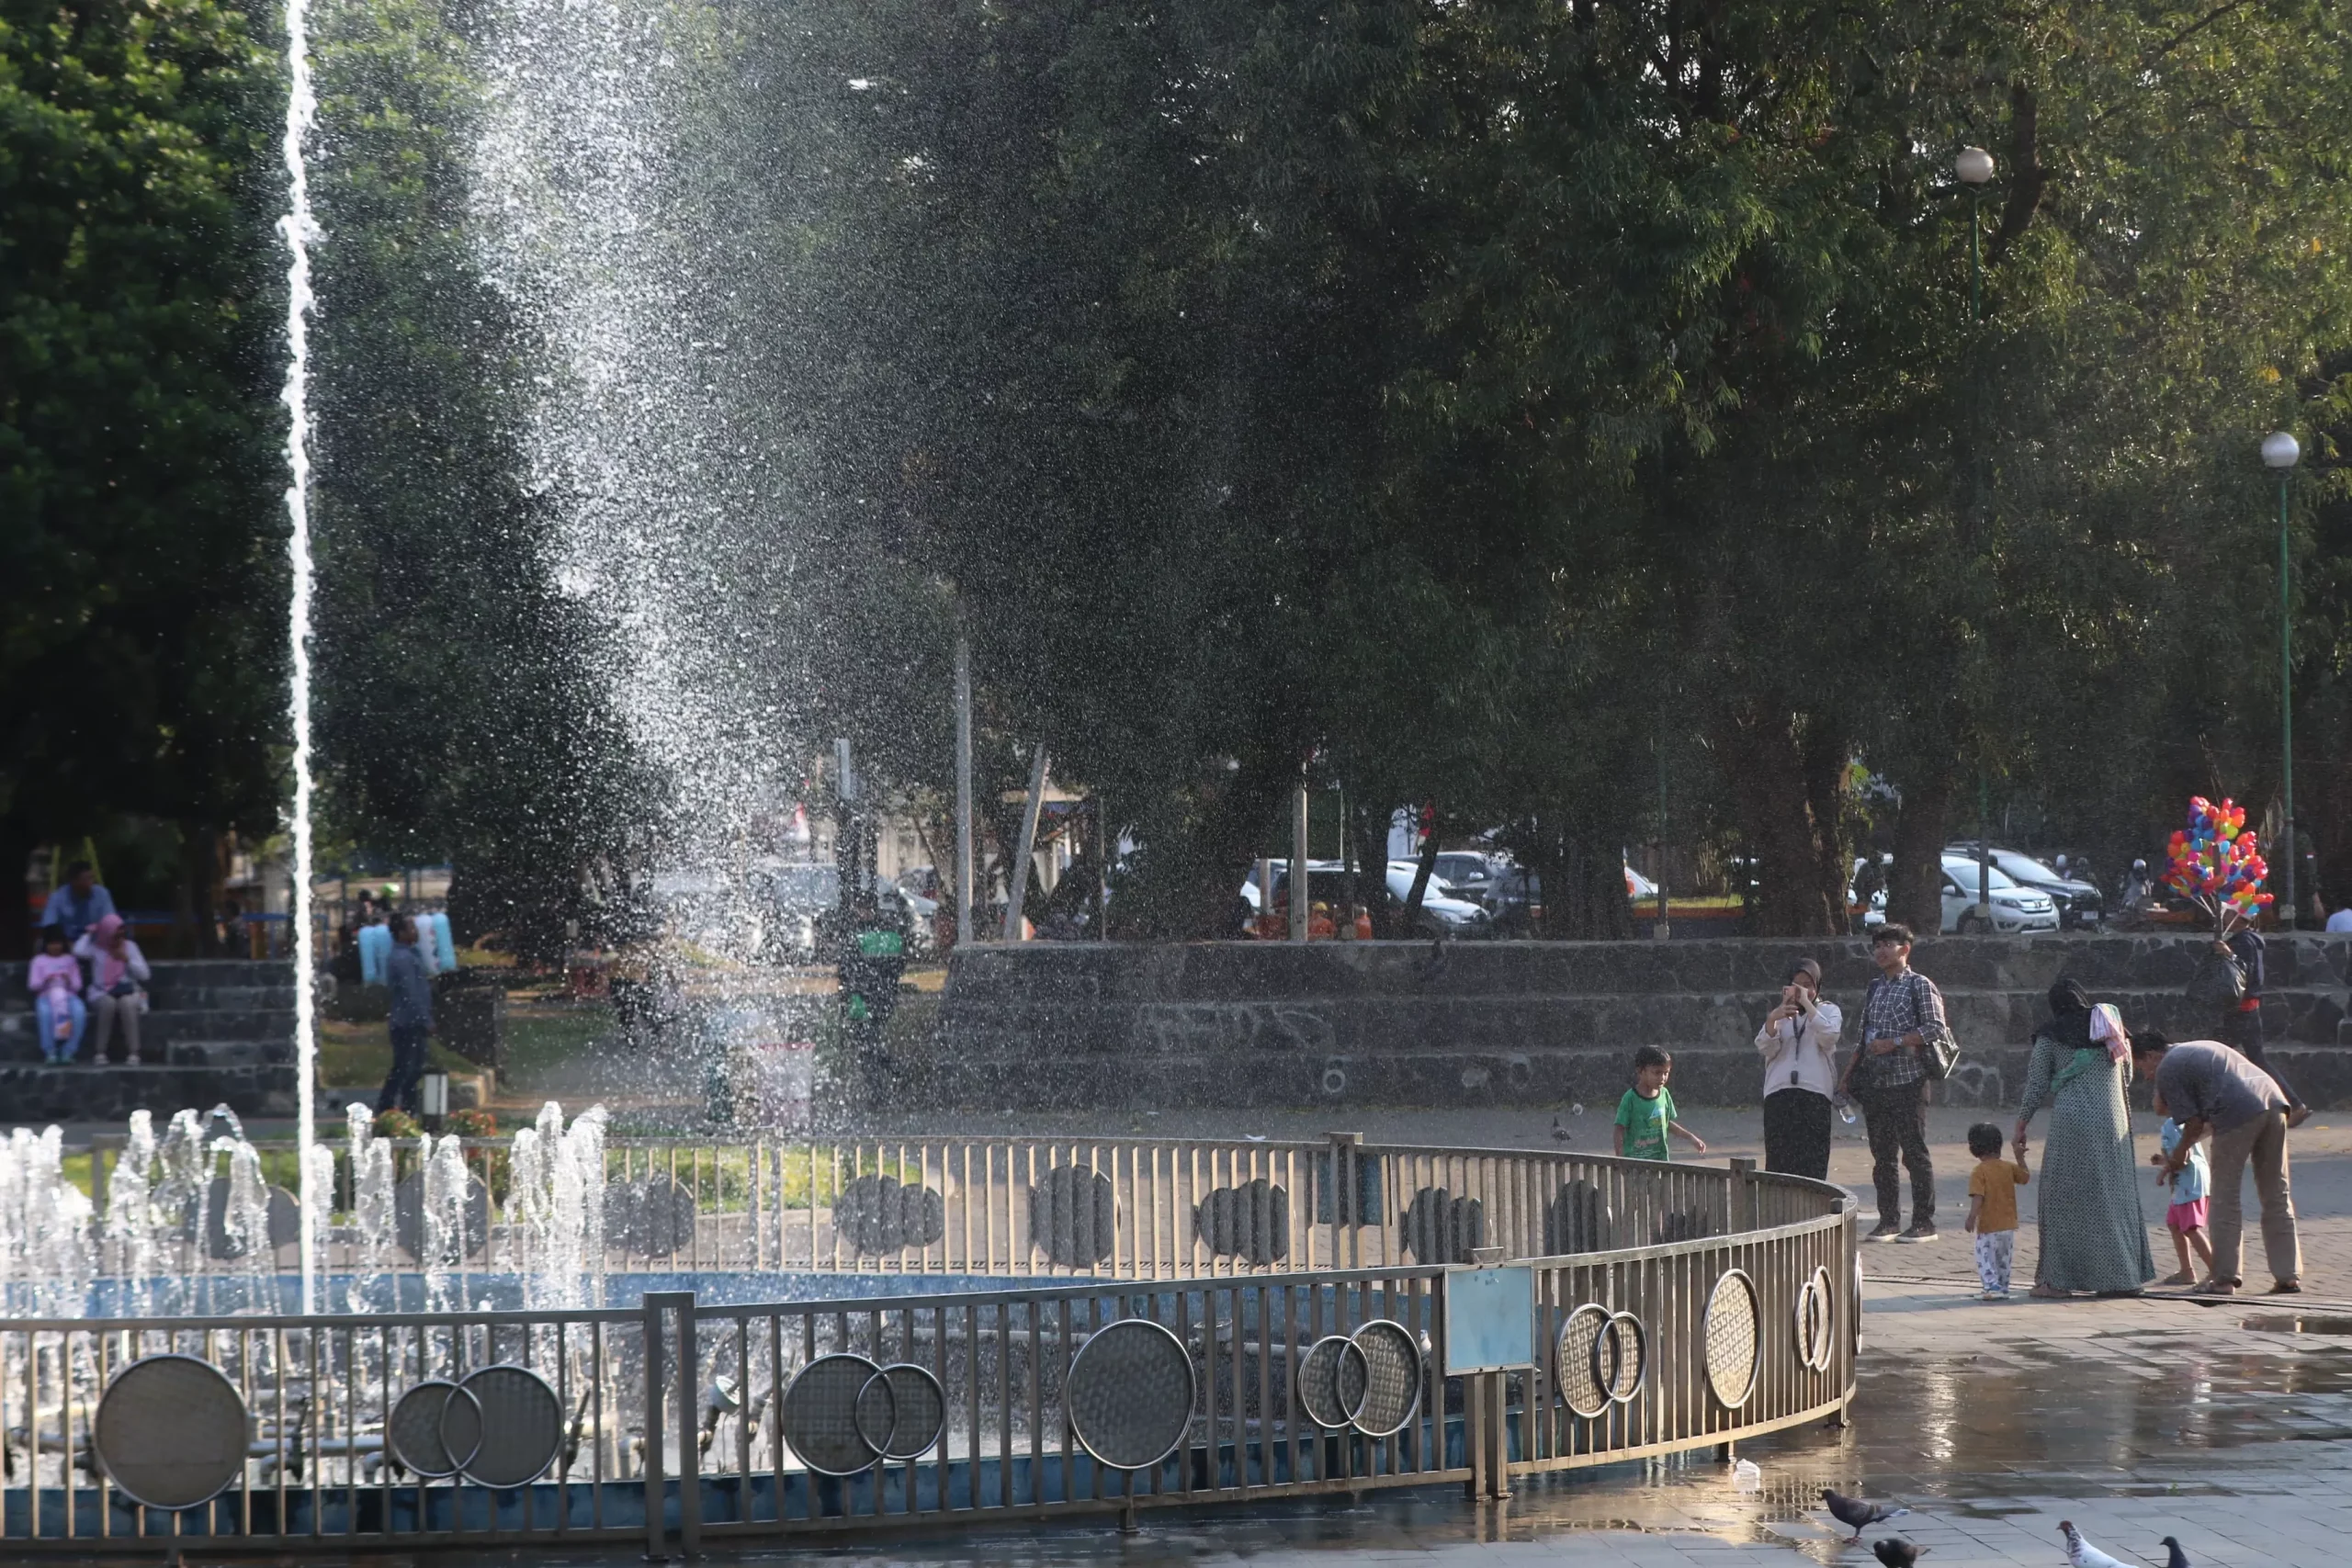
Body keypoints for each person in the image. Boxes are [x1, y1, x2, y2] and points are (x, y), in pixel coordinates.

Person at [2010, 979, 2154, 1296]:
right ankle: (2122, 1278)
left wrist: (2021, 1124)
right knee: (2114, 1197)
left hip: (2072, 1124)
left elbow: (2036, 1085)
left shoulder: (2051, 1036)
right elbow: (2126, 1076)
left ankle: (2057, 1282)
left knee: (2064, 1198)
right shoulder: (2110, 1026)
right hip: (2114, 1123)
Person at [2132, 1033, 2301, 1295]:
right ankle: (2288, 1275)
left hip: (2237, 1114)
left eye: (2141, 1066)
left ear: (2152, 1055)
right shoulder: (2195, 1049)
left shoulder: (2168, 1066)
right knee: (2276, 1193)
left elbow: (2189, 1121)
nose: (2145, 1075)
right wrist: (2180, 1153)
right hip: (2275, 1105)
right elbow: (2202, 1121)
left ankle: (2224, 1278)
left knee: (2224, 1196)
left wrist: (2179, 1151)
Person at [1838, 924, 1949, 1242]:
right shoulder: (1875, 988)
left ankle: (1924, 1223)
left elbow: (1936, 1028)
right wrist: (1845, 1080)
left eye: (1888, 944)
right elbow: (1863, 1037)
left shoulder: (1919, 986)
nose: (1881, 951)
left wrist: (1896, 1042)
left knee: (1914, 1153)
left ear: (1905, 949)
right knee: (1882, 1156)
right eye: (1877, 946)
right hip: (1876, 1083)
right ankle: (1889, 1220)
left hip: (1909, 1081)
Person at [1756, 957, 1842, 1179]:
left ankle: (1814, 1212)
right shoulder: (1781, 1014)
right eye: (1797, 984)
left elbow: (1829, 1037)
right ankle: (1781, 1212)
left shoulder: (1829, 1011)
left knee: (1813, 1161)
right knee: (1779, 1161)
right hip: (1779, 1094)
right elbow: (1766, 1048)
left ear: (1817, 986)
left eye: (1808, 985)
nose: (1802, 990)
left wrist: (1809, 1007)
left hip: (1815, 1094)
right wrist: (1773, 1019)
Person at [2212, 928, 2308, 1122]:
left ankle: (2293, 1104)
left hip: (2242, 1010)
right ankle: (2293, 1103)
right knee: (2244, 1058)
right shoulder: (2248, 939)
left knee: (2218, 1056)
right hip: (2244, 1009)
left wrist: (2229, 954)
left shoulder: (2244, 942)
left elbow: (2247, 971)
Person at [1963, 1122, 2031, 1300]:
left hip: (1988, 1226)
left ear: (1974, 1148)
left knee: (1984, 1256)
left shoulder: (1979, 1171)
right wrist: (2019, 1156)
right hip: (2008, 1225)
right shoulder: (2008, 1167)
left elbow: (1978, 1196)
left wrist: (1971, 1217)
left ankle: (1991, 1286)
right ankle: (2003, 1286)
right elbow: (2025, 1178)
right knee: (2003, 1259)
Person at [377, 915, 435, 1115]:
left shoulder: (410, 954)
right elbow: (411, 993)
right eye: (411, 928)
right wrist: (425, 1019)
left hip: (411, 1021)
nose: (415, 932)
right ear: (400, 933)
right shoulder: (402, 958)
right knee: (406, 1068)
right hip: (407, 1023)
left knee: (411, 1067)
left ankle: (404, 1109)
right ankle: (389, 1108)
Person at [74, 914, 150, 1064]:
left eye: (121, 934)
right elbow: (77, 951)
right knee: (108, 1004)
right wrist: (89, 933)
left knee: (127, 1004)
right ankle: (100, 1051)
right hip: (102, 991)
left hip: (128, 990)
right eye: (115, 935)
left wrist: (126, 959)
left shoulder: (131, 947)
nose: (119, 939)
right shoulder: (97, 948)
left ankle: (134, 1052)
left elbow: (145, 975)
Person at [2151, 1111, 2214, 1287]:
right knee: (2174, 1224)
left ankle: (2215, 1271)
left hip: (2187, 1184)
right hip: (2192, 1181)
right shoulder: (2184, 1121)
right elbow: (2182, 1154)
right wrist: (2164, 1160)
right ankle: (2186, 1271)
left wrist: (2163, 1173)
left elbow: (2182, 1159)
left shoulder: (2170, 1126)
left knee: (2190, 1228)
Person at [1615, 1045, 1707, 1161]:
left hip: (1660, 1161)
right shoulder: (1630, 1098)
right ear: (1640, 1071)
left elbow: (1665, 1122)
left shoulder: (1664, 1094)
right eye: (1657, 1073)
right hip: (1635, 1163)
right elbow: (1619, 1128)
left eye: (1666, 1073)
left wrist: (1690, 1137)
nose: (1662, 1078)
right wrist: (1620, 1158)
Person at [27, 930, 86, 1064]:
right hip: (46, 995)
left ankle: (68, 1051)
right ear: (46, 945)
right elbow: (33, 985)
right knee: (45, 1013)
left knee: (79, 1012)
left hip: (68, 995)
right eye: (52, 944)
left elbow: (78, 986)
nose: (55, 947)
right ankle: (50, 1051)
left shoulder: (70, 960)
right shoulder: (38, 961)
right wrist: (45, 980)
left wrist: (68, 980)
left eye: (58, 944)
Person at [36, 860, 116, 949]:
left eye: (92, 878)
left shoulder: (102, 894)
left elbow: (111, 921)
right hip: (66, 944)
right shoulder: (57, 897)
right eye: (87, 879)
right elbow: (49, 925)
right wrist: (65, 944)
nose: (91, 882)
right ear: (73, 881)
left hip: (96, 943)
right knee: (41, 943)